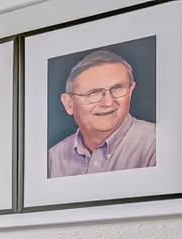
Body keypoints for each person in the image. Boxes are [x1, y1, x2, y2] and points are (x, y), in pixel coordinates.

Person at [48, 50, 156, 178]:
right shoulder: (52, 160)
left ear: (130, 90)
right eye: (93, 93)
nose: (108, 103)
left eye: (117, 88)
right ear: (69, 104)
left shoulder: (158, 144)